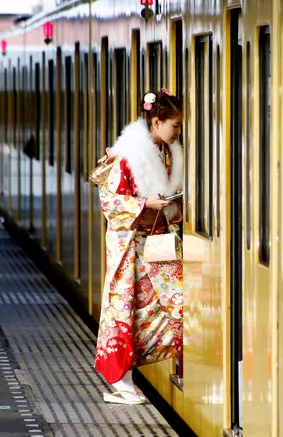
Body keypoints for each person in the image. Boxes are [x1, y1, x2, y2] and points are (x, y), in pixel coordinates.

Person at [92, 89, 184, 404]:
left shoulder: (167, 151)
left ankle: (140, 372)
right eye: (174, 125)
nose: (178, 132)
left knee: (175, 304)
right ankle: (121, 380)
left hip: (155, 242)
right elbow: (110, 201)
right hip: (129, 245)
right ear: (156, 122)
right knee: (124, 309)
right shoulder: (127, 155)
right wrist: (146, 203)